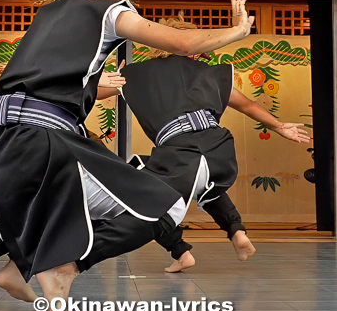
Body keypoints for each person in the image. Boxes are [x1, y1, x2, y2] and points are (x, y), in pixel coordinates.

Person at [0, 0, 255, 311]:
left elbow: (43, 87)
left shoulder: (46, 17)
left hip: (5, 142)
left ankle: (16, 267)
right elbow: (181, 42)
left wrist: (93, 85)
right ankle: (64, 268)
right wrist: (236, 30)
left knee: (78, 201)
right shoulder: (106, 11)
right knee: (163, 204)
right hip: (45, 141)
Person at [97, 14, 309, 272]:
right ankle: (233, 232)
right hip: (218, 146)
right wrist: (278, 126)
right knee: (206, 186)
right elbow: (248, 105)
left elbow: (95, 93)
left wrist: (102, 79)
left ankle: (173, 249)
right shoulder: (210, 73)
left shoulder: (138, 74)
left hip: (181, 147)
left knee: (148, 199)